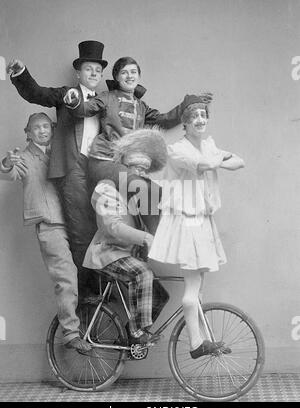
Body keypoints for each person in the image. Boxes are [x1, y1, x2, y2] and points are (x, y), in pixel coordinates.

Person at [5, 40, 109, 297]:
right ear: (78, 73)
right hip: (73, 171)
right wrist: (21, 74)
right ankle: (87, 299)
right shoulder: (66, 95)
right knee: (81, 234)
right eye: (88, 69)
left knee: (105, 231)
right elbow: (36, 93)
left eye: (98, 70)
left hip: (98, 172)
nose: (93, 73)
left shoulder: (106, 102)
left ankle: (106, 299)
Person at [64, 56, 212, 234]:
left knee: (157, 192)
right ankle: (158, 242)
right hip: (103, 161)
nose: (129, 76)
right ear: (117, 77)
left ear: (139, 76)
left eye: (133, 72)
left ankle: (159, 243)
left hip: (127, 165)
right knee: (141, 187)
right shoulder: (107, 97)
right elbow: (85, 109)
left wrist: (190, 103)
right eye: (124, 72)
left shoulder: (141, 106)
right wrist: (73, 101)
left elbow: (165, 121)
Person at [148, 95, 245, 358]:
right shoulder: (178, 149)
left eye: (203, 115)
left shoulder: (208, 144)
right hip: (185, 220)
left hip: (201, 219)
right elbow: (202, 165)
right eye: (194, 117)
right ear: (185, 123)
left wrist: (218, 158)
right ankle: (195, 344)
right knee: (192, 286)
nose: (200, 120)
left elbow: (239, 161)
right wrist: (217, 159)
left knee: (199, 284)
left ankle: (201, 338)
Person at [0, 112, 91, 352]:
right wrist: (8, 163)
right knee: (66, 277)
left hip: (74, 223)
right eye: (36, 128)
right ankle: (71, 333)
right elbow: (10, 173)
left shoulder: (58, 154)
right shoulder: (25, 157)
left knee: (89, 270)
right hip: (51, 225)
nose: (42, 130)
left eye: (45, 126)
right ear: (27, 133)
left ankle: (92, 323)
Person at [83, 128, 168, 343]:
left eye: (145, 171)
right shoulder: (106, 188)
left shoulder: (138, 196)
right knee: (143, 274)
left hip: (126, 255)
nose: (141, 175)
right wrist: (145, 238)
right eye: (136, 168)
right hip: (107, 253)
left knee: (160, 296)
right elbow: (112, 226)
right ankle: (137, 333)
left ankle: (130, 338)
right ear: (124, 168)